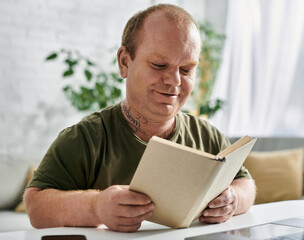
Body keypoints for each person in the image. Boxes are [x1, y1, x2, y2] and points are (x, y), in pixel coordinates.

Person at [24, 4, 256, 233]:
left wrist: (233, 199)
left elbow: (245, 183)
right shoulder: (86, 138)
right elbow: (36, 206)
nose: (175, 81)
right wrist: (95, 207)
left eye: (186, 70)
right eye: (159, 65)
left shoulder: (207, 136)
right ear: (125, 62)